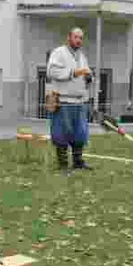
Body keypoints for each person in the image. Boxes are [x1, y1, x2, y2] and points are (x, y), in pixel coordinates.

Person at [46, 27, 93, 170]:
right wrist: (74, 72)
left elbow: (86, 74)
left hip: (79, 101)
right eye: (76, 37)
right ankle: (63, 164)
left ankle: (78, 161)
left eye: (81, 38)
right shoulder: (59, 53)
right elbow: (51, 71)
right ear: (69, 37)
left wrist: (89, 77)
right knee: (62, 132)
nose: (79, 40)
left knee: (80, 132)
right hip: (63, 101)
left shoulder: (82, 56)